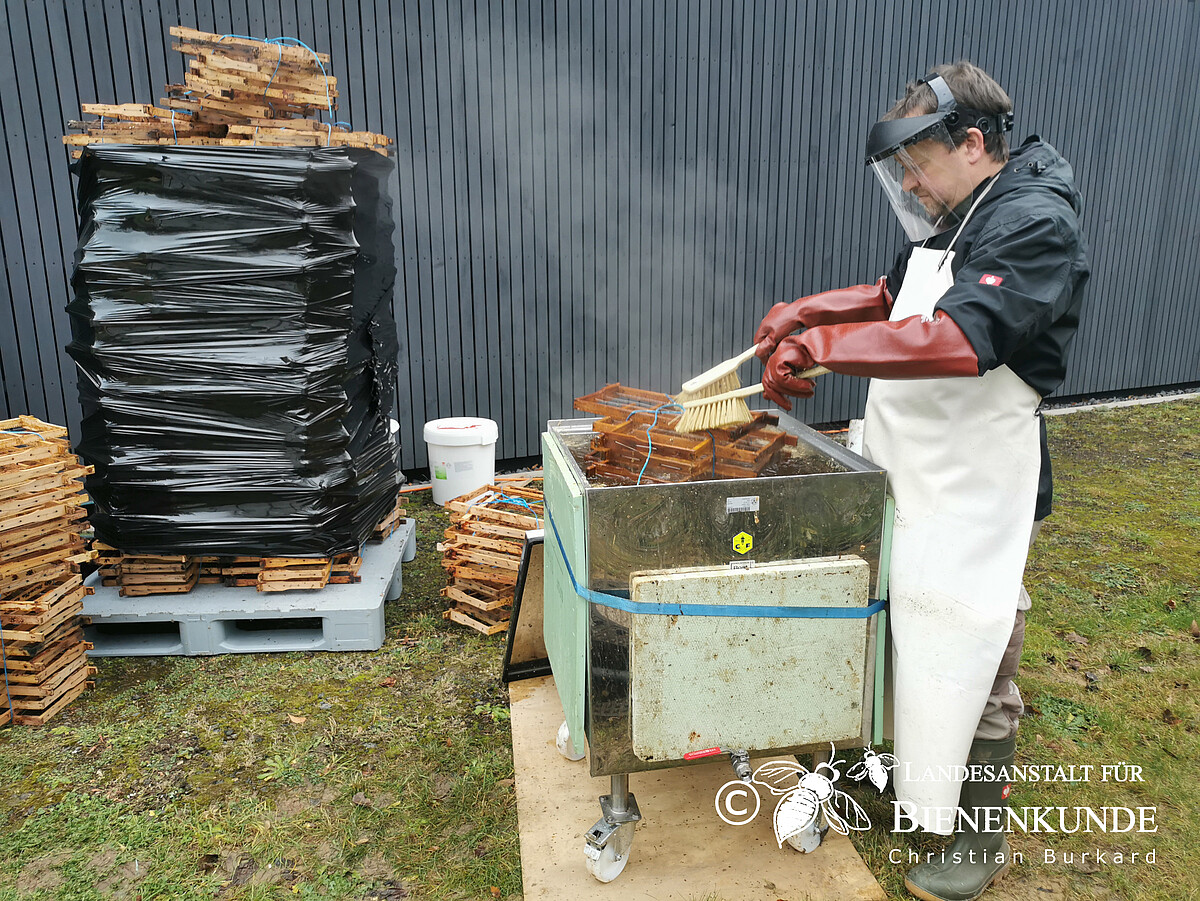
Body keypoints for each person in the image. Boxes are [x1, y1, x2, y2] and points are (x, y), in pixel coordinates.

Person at [753, 62, 1089, 901]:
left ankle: (978, 836)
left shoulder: (1035, 221)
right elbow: (893, 297)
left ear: (972, 144)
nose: (907, 183)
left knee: (975, 644)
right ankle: (901, 766)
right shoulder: (964, 209)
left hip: (978, 486)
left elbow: (955, 339)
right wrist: (809, 311)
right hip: (914, 467)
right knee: (901, 623)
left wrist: (820, 349)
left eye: (917, 164)